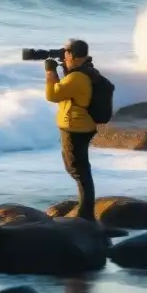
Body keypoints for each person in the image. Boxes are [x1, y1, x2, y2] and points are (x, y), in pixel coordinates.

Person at [44, 39, 99, 221]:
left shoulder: (77, 77)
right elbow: (64, 94)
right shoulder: (83, 73)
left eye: (66, 53)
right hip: (81, 125)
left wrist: (50, 72)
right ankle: (86, 211)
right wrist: (62, 70)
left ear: (73, 56)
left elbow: (52, 95)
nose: (64, 55)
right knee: (78, 169)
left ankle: (85, 215)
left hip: (76, 127)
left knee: (78, 170)